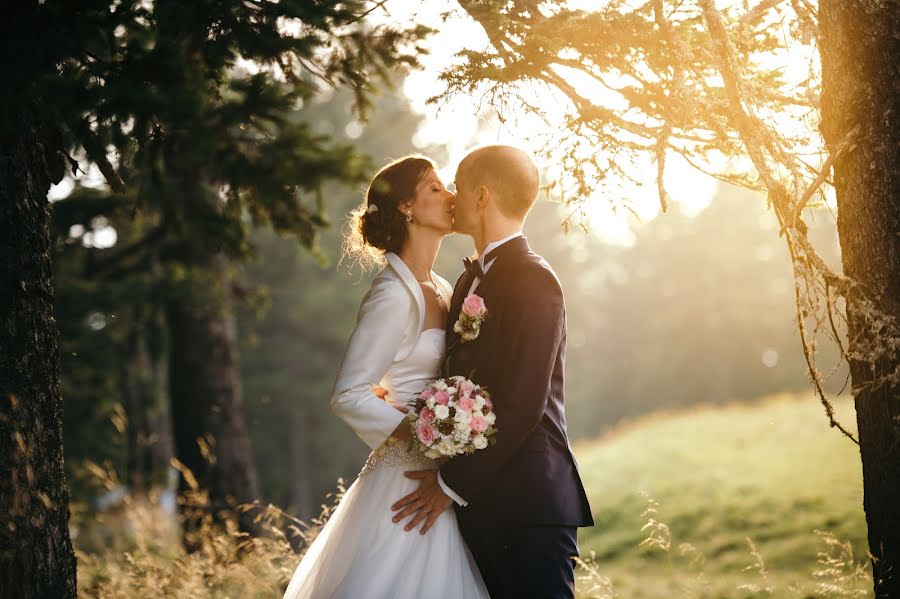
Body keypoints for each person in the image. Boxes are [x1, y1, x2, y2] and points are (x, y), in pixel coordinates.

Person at [388, 145, 594, 599]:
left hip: (528, 502)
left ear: (481, 197)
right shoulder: (467, 279)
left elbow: (524, 403)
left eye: (457, 187)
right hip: (482, 502)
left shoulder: (533, 279)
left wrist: (450, 485)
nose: (451, 199)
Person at [282, 155, 489, 599]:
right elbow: (349, 395)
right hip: (408, 483)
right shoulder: (393, 294)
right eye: (435, 188)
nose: (450, 196)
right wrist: (423, 434)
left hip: (440, 477)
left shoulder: (442, 287)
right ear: (405, 208)